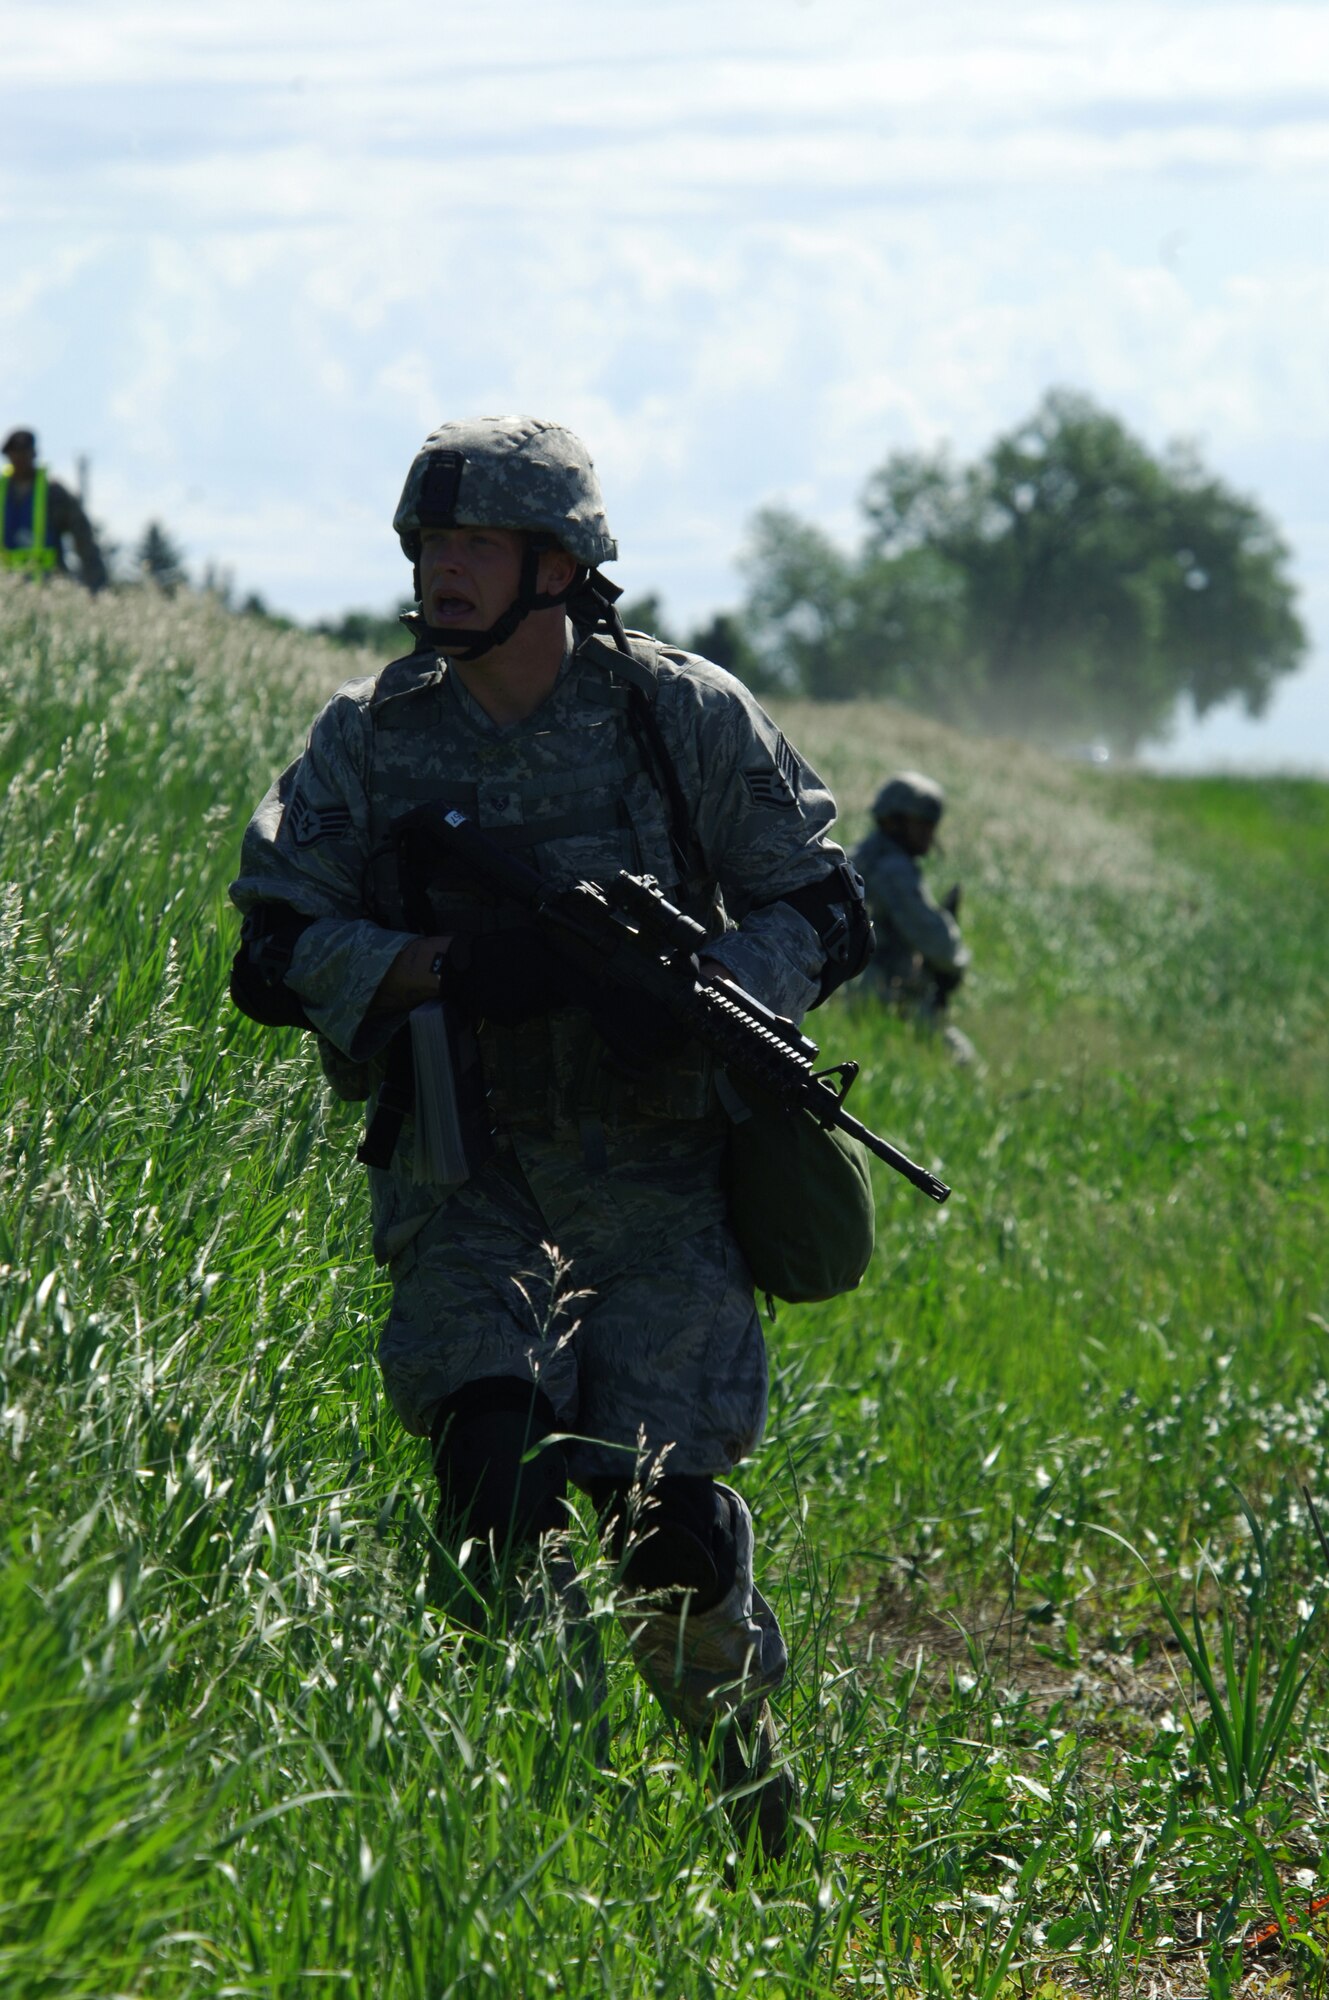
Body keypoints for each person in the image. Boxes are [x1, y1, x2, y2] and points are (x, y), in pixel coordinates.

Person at [229, 415, 872, 1862]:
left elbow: (830, 909)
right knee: (493, 1477)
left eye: (475, 545)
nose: (442, 569)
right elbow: (270, 953)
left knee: (666, 1538)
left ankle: (749, 1802)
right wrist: (447, 972)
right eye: (428, 544)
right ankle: (536, 1813)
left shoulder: (681, 715)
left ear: (561, 564)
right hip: (466, 1173)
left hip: (661, 1185)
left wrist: (699, 992)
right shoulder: (372, 738)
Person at [852, 771, 974, 1062]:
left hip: (851, 986)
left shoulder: (861, 855)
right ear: (893, 821)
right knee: (962, 1062)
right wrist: (955, 964)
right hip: (878, 993)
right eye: (921, 824)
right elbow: (938, 944)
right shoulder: (894, 870)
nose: (929, 833)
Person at [1, 429, 107, 590]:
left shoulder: (54, 492)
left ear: (33, 454)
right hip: (5, 589)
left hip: (48, 585)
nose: (19, 459)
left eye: (24, 453)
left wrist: (96, 583)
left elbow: (83, 538)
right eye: (14, 453)